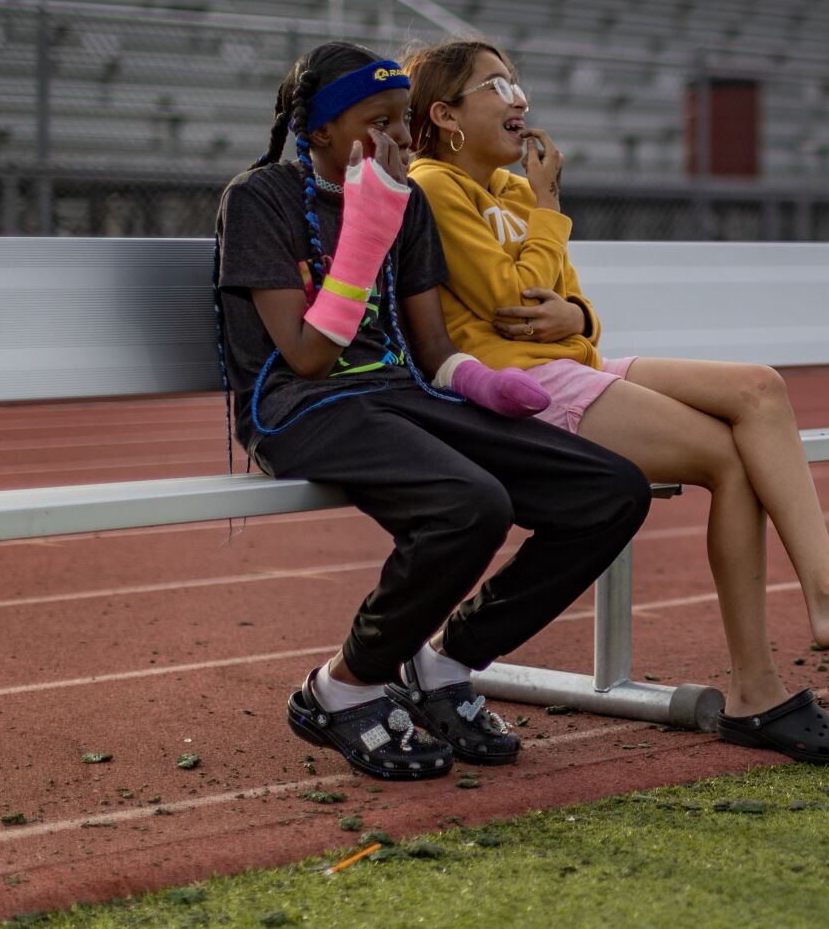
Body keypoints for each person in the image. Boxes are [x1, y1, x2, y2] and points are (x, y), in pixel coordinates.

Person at [399, 37, 829, 766]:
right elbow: (514, 304)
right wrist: (550, 213)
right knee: (728, 458)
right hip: (516, 385)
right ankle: (756, 689)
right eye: (495, 87)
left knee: (760, 388)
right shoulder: (434, 187)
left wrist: (575, 315)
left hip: (569, 360)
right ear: (446, 115)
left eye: (517, 84)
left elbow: (572, 307)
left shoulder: (512, 193)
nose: (519, 101)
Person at [213, 41, 652, 781]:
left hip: (398, 395)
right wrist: (365, 229)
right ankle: (344, 683)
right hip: (298, 407)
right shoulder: (260, 198)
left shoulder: (405, 198)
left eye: (402, 123)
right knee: (470, 504)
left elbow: (432, 346)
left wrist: (482, 384)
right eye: (374, 122)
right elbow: (309, 356)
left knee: (611, 490)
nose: (395, 141)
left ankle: (446, 661)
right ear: (317, 128)